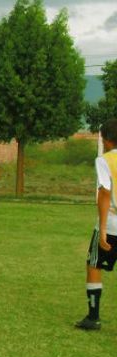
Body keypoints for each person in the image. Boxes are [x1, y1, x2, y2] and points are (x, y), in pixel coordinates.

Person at [78, 119, 117, 331]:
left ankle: (93, 318)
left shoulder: (104, 160)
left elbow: (104, 193)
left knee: (94, 265)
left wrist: (102, 229)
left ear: (106, 139)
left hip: (111, 224)